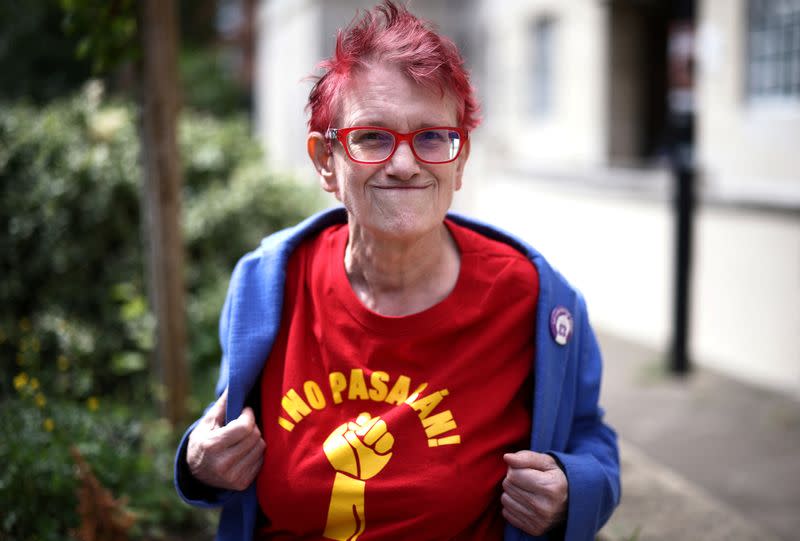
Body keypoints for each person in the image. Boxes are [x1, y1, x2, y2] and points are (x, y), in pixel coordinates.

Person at [174, 2, 620, 540]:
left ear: (459, 160)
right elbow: (223, 431)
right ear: (325, 162)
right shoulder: (269, 284)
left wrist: (573, 489)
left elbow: (589, 435)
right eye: (372, 137)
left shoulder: (535, 302)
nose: (405, 163)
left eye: (432, 137)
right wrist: (200, 458)